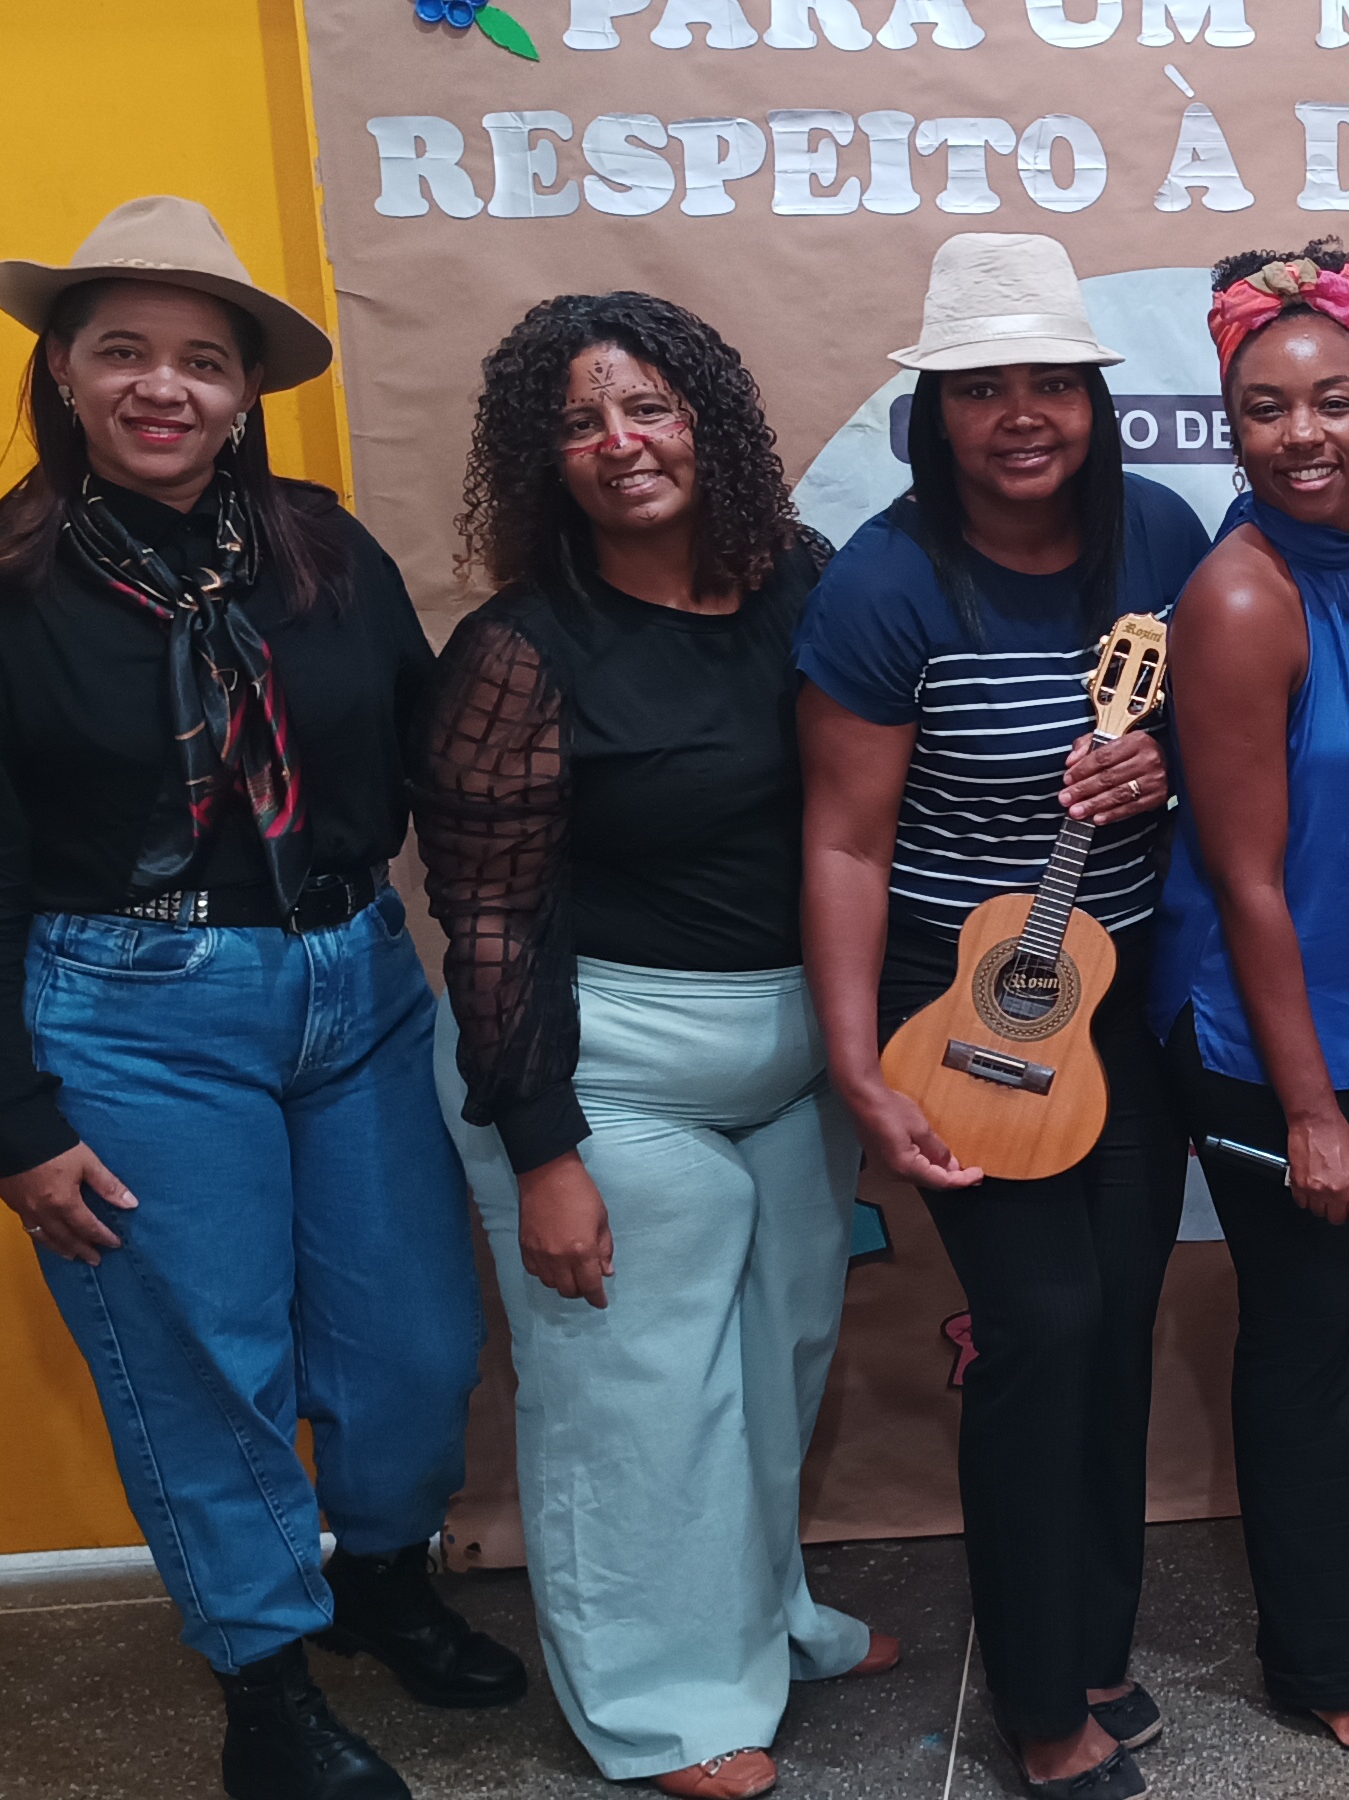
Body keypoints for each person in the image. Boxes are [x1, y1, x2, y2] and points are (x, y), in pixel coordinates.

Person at [0, 195, 517, 1800]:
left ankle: (383, 1578)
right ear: (64, 373)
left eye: (202, 361)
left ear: (245, 393)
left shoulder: (325, 556)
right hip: (130, 1007)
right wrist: (8, 1118)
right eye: (124, 352)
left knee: (412, 1339)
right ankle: (265, 1684)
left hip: (353, 979)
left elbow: (446, 752)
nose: (162, 387)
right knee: (205, 1360)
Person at [418, 292, 896, 1800]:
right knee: (637, 1406)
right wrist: (543, 1153)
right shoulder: (518, 652)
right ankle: (664, 1709)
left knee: (774, 1374)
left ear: (708, 424)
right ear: (541, 458)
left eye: (647, 408)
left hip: (792, 1060)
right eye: (579, 422)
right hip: (602, 1069)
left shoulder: (802, 583)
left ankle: (767, 1625)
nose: (621, 443)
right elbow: (485, 922)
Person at [795, 233, 1212, 1800]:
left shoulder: (1158, 535)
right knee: (1040, 1329)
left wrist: (1162, 766)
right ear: (936, 413)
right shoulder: (886, 581)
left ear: (1099, 403)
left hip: (1123, 997)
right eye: (983, 387)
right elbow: (844, 843)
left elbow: (1224, 739)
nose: (1023, 413)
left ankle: (1091, 1641)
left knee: (1112, 1324)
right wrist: (855, 1064)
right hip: (956, 1003)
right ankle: (1040, 1704)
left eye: (1054, 382)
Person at [1152, 238, 1349, 1764]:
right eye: (1265, 408)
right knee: (1304, 1338)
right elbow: (1246, 880)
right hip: (1270, 1039)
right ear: (1228, 424)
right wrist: (1307, 1110)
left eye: (1334, 401)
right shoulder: (1238, 595)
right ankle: (1325, 1656)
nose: (1303, 434)